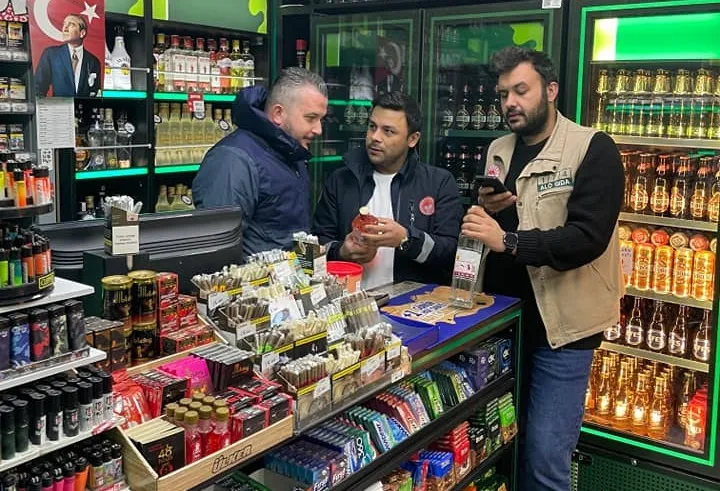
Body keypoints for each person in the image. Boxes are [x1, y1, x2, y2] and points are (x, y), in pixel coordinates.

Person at [461, 47, 623, 491]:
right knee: (502, 447)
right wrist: (486, 208)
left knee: (545, 459)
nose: (510, 103)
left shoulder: (593, 148)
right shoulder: (498, 149)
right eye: (503, 95)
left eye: (521, 91)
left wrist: (508, 240)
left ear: (551, 91)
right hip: (503, 325)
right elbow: (498, 226)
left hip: (563, 331)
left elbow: (587, 238)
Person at [313, 92, 463, 289]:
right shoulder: (340, 180)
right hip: (348, 300)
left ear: (412, 139)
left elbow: (451, 254)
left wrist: (406, 239)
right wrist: (342, 251)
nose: (375, 137)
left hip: (411, 303)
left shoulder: (439, 183)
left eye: (388, 131)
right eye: (372, 126)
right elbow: (316, 246)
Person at [192, 67, 328, 258]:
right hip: (256, 277)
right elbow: (217, 251)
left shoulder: (292, 153)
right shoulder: (233, 160)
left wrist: (316, 264)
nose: (318, 129)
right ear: (278, 114)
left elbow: (292, 234)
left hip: (290, 276)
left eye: (321, 119)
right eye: (311, 118)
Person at [35, 14, 102, 97]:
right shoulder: (51, 54)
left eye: (71, 24)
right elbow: (38, 88)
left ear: (82, 33)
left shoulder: (93, 61)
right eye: (64, 24)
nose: (65, 28)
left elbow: (95, 93)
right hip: (59, 105)